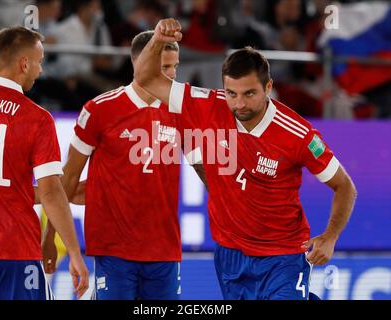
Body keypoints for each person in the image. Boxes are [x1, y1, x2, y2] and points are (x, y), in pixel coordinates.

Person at [134, 18, 358, 300]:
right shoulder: (208, 105)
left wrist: (331, 236)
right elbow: (144, 79)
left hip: (282, 257)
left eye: (249, 93)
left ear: (268, 87)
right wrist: (157, 38)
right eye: (232, 94)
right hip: (230, 256)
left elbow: (345, 186)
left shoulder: (297, 134)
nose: (239, 104)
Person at [44, 30, 204, 300]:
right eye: (165, 66)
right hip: (113, 250)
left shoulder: (182, 112)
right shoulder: (100, 110)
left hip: (164, 251)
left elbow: (207, 172)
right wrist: (50, 237)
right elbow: (68, 178)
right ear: (139, 63)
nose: (173, 74)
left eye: (175, 66)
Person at [0, 26, 89, 300]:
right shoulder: (37, 118)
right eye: (40, 62)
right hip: (15, 246)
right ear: (24, 63)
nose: (41, 70)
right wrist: (74, 252)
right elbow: (51, 191)